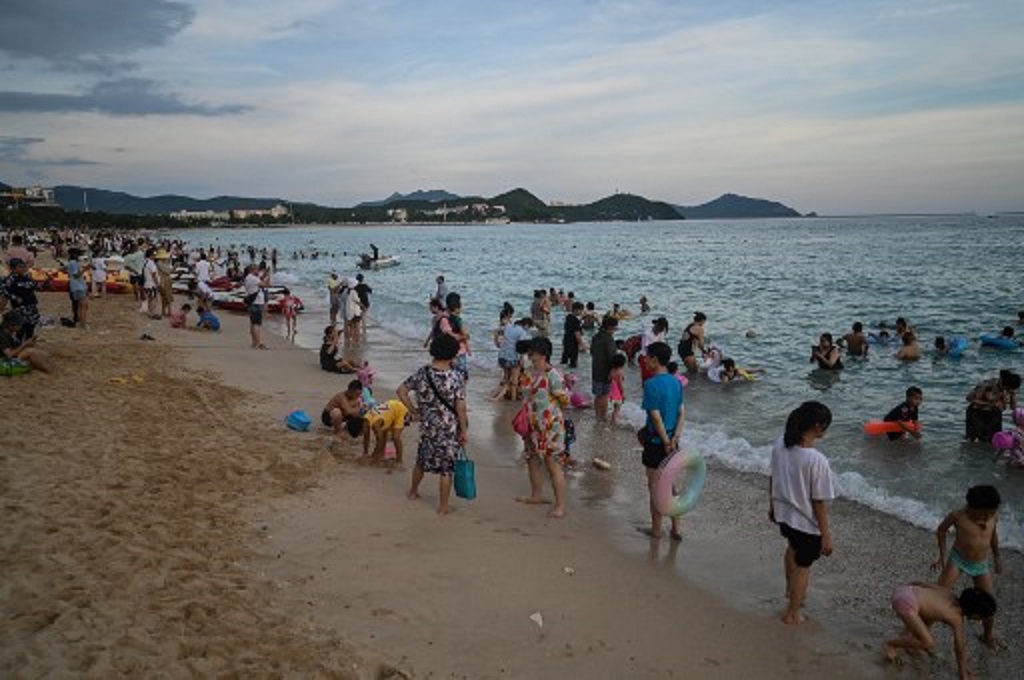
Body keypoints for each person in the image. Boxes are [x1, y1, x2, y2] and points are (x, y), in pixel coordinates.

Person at [768, 401, 835, 625]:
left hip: (784, 515)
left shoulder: (780, 444)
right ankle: (793, 612)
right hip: (806, 523)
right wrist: (825, 534)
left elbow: (773, 477)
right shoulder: (817, 460)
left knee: (792, 549)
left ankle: (790, 591)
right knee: (803, 566)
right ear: (818, 426)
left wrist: (772, 505)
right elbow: (819, 501)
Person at [399, 333, 469, 515]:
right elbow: (460, 407)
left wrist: (414, 411)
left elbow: (401, 391)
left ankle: (413, 491)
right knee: (446, 469)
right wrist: (464, 429)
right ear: (453, 353)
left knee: (421, 461)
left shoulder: (423, 373)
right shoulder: (455, 377)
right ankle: (443, 506)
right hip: (448, 430)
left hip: (428, 427)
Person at [932, 485, 1003, 648]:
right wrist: (941, 556)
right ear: (971, 507)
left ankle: (987, 636)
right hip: (958, 560)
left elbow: (993, 535)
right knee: (938, 594)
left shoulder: (993, 516)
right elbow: (941, 531)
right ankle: (922, 628)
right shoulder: (958, 516)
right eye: (983, 513)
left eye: (991, 513)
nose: (987, 517)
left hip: (980, 564)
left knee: (988, 603)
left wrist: (997, 556)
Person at [883, 583, 996, 679]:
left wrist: (907, 587)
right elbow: (960, 648)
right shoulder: (956, 618)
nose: (980, 620)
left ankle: (908, 642)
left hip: (905, 590)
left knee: (930, 617)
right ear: (975, 612)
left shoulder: (948, 593)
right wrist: (963, 675)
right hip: (906, 602)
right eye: (981, 617)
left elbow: (923, 584)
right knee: (928, 642)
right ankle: (891, 644)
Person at [516, 337, 570, 518]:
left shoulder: (554, 375)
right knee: (532, 459)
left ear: (543, 354)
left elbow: (565, 400)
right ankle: (536, 495)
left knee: (553, 464)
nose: (530, 355)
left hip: (551, 427)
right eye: (530, 351)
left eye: (533, 351)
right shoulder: (528, 373)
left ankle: (560, 506)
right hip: (531, 424)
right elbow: (522, 394)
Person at [638, 342, 685, 540]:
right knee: (670, 485)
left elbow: (655, 416)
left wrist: (665, 440)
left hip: (658, 443)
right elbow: (682, 412)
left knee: (655, 487)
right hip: (674, 441)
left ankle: (656, 530)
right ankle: (676, 529)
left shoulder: (650, 384)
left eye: (647, 357)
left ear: (655, 360)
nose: (645, 360)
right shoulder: (676, 382)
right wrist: (675, 437)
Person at [965, 370, 1020, 442]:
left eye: (1010, 389)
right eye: (1007, 388)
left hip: (994, 415)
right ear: (1003, 384)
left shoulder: (1010, 389)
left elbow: (1013, 408)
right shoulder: (987, 385)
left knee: (994, 440)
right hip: (977, 413)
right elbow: (969, 398)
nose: (1007, 390)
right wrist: (990, 404)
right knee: (973, 439)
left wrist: (1013, 395)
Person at [0, 258, 41, 340]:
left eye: (23, 266)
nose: (23, 268)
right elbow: (3, 291)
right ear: (13, 268)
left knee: (30, 328)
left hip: (31, 306)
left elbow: (34, 286)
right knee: (20, 329)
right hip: (20, 308)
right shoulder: (11, 279)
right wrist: (14, 297)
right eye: (20, 267)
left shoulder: (27, 277)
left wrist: (41, 285)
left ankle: (27, 345)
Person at [362, 398, 409, 468]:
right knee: (383, 433)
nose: (362, 434)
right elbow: (366, 437)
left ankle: (399, 460)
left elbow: (379, 440)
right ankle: (381, 455)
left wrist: (373, 456)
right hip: (389, 409)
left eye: (361, 432)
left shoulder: (375, 424)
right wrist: (365, 453)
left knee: (395, 437)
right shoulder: (365, 419)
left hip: (400, 410)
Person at [495, 317, 532, 401]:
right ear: (526, 325)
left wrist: (496, 342)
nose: (528, 329)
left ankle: (503, 395)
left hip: (502, 356)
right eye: (528, 327)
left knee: (506, 379)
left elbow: (496, 332)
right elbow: (521, 346)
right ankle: (513, 400)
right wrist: (522, 358)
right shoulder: (522, 332)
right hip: (513, 358)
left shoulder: (508, 326)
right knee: (514, 382)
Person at [590, 316, 618, 421]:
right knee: (605, 395)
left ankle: (597, 415)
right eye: (615, 328)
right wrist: (614, 369)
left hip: (596, 369)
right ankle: (603, 416)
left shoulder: (596, 336)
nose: (615, 330)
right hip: (606, 371)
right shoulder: (608, 339)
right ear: (610, 327)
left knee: (598, 395)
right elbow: (612, 356)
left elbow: (592, 352)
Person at [440, 292, 470, 381]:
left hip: (460, 352)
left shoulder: (457, 319)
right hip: (455, 352)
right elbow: (453, 337)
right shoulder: (445, 320)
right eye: (460, 305)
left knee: (459, 377)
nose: (461, 308)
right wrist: (464, 337)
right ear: (456, 307)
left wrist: (467, 346)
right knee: (458, 377)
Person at [243, 265, 267, 349]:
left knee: (253, 323)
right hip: (256, 302)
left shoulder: (248, 278)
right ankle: (258, 343)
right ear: (253, 270)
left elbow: (259, 282)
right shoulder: (253, 278)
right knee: (257, 324)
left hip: (252, 302)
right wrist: (268, 277)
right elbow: (265, 285)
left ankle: (254, 343)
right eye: (257, 269)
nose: (258, 271)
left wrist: (262, 276)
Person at [66, 248, 89, 328]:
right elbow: (76, 275)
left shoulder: (71, 263)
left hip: (76, 286)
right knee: (83, 306)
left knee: (80, 306)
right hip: (78, 287)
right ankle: (83, 324)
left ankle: (80, 322)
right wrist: (85, 269)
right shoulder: (74, 263)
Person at [560, 301, 587, 369]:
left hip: (566, 340)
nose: (581, 312)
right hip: (573, 342)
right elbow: (577, 333)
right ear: (576, 310)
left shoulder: (568, 317)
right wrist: (581, 344)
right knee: (573, 361)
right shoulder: (576, 321)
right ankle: (572, 374)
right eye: (581, 310)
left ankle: (562, 372)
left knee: (564, 358)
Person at [142, 248, 161, 319]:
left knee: (150, 298)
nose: (155, 256)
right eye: (154, 254)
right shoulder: (151, 263)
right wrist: (157, 284)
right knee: (153, 298)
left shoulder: (145, 262)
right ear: (150, 255)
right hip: (152, 284)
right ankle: (152, 313)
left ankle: (150, 312)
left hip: (147, 283)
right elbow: (154, 274)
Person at [608, 353, 626, 425]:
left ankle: (610, 420)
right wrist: (623, 393)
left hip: (610, 393)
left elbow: (609, 379)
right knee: (617, 409)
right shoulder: (620, 372)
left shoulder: (611, 370)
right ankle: (613, 421)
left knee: (611, 408)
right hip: (617, 394)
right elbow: (620, 384)